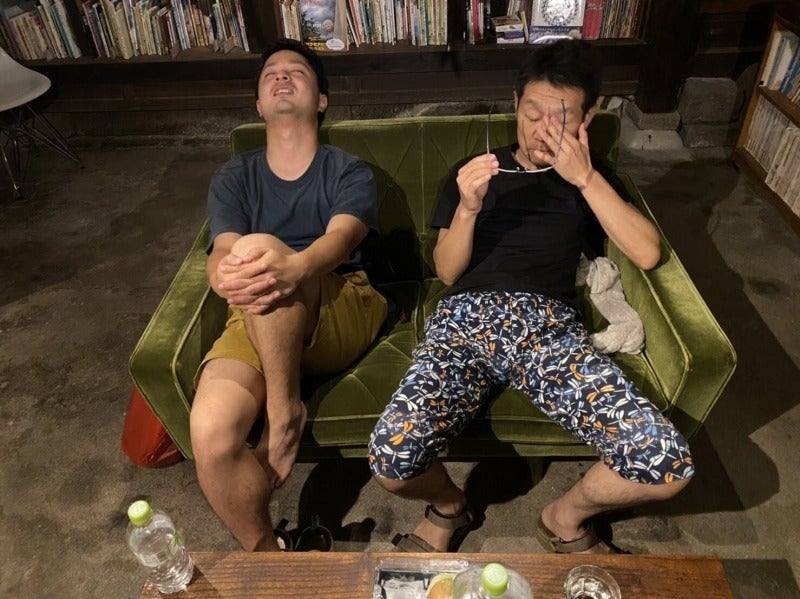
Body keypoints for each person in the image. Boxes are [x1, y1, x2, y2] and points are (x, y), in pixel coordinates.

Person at [367, 39, 694, 554]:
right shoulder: (475, 169)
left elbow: (647, 252)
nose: (542, 128)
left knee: (667, 463)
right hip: (464, 321)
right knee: (390, 459)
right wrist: (469, 208)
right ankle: (451, 507)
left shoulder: (590, 178)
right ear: (515, 104)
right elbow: (447, 271)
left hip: (548, 329)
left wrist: (585, 178)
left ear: (587, 118)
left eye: (560, 117)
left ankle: (563, 516)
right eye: (532, 112)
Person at [190, 38, 387, 551]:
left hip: (341, 300)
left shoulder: (347, 170)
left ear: (321, 100)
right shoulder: (235, 175)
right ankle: (266, 556)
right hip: (256, 310)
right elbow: (222, 251)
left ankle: (284, 413)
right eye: (270, 73)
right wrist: (223, 277)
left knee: (260, 251)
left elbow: (341, 240)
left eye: (296, 71)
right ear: (258, 104)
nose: (281, 76)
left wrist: (291, 266)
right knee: (211, 430)